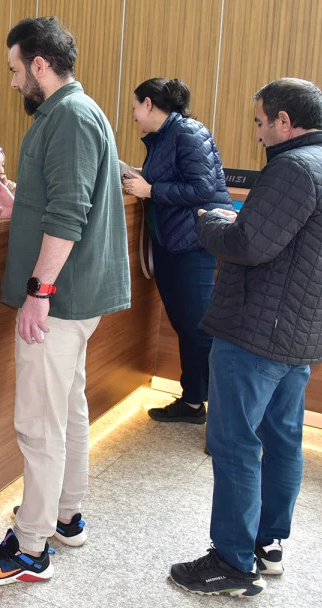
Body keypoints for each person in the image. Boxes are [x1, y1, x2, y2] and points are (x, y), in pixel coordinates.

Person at [169, 78, 322, 598]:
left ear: (284, 121)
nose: (257, 134)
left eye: (260, 122)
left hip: (256, 332)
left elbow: (248, 244)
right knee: (283, 440)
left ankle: (232, 563)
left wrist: (210, 222)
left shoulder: (293, 168)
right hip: (300, 334)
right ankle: (268, 544)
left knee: (234, 443)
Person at [0, 17, 131, 586]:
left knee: (39, 424)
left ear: (39, 64)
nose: (13, 83)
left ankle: (31, 548)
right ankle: (65, 514)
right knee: (67, 410)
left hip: (59, 301)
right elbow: (56, 201)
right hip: (73, 298)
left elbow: (69, 214)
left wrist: (39, 292)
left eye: (16, 70)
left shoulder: (70, 117)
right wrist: (15, 205)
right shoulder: (72, 113)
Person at [122, 78, 232, 425]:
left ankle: (226, 419)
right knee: (187, 325)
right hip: (174, 243)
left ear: (149, 103)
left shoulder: (187, 132)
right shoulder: (163, 137)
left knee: (199, 328)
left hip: (194, 243)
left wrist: (151, 190)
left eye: (136, 107)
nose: (134, 116)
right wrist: (140, 179)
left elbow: (203, 188)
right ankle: (194, 402)